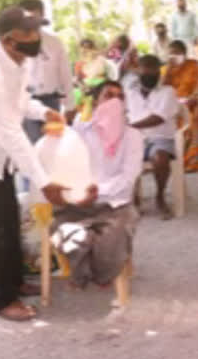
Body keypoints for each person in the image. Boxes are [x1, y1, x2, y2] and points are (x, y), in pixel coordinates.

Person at [0, 6, 68, 321]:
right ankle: (2, 299)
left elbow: (20, 104)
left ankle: (16, 282)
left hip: (1, 161)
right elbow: (11, 132)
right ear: (9, 40)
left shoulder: (17, 63)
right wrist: (44, 180)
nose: (36, 38)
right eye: (29, 34)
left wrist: (42, 112)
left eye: (37, 30)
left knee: (9, 225)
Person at [56, 80, 143, 288]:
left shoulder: (133, 136)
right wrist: (77, 193)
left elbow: (128, 178)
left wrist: (96, 191)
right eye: (109, 95)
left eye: (120, 97)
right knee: (67, 233)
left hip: (116, 205)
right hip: (78, 204)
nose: (115, 101)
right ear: (96, 103)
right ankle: (83, 271)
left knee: (113, 238)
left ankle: (100, 274)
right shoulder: (78, 133)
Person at [125, 54, 179, 220]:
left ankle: (160, 197)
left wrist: (130, 126)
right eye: (145, 69)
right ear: (138, 71)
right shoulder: (129, 93)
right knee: (122, 157)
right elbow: (120, 112)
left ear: (159, 72)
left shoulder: (168, 92)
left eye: (153, 69)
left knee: (160, 158)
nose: (149, 73)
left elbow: (158, 118)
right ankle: (133, 199)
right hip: (134, 139)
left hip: (160, 137)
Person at [18, 0, 74, 142]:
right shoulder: (15, 45)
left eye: (35, 17)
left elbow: (65, 75)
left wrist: (70, 105)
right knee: (34, 143)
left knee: (53, 144)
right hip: (27, 101)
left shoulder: (54, 43)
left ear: (42, 16)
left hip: (51, 101)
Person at [163, 40, 198, 172]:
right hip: (172, 106)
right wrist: (168, 71)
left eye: (177, 53)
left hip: (193, 102)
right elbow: (160, 90)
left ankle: (196, 158)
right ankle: (173, 159)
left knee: (197, 116)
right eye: (171, 54)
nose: (174, 56)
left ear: (184, 54)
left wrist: (194, 99)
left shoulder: (195, 66)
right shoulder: (165, 70)